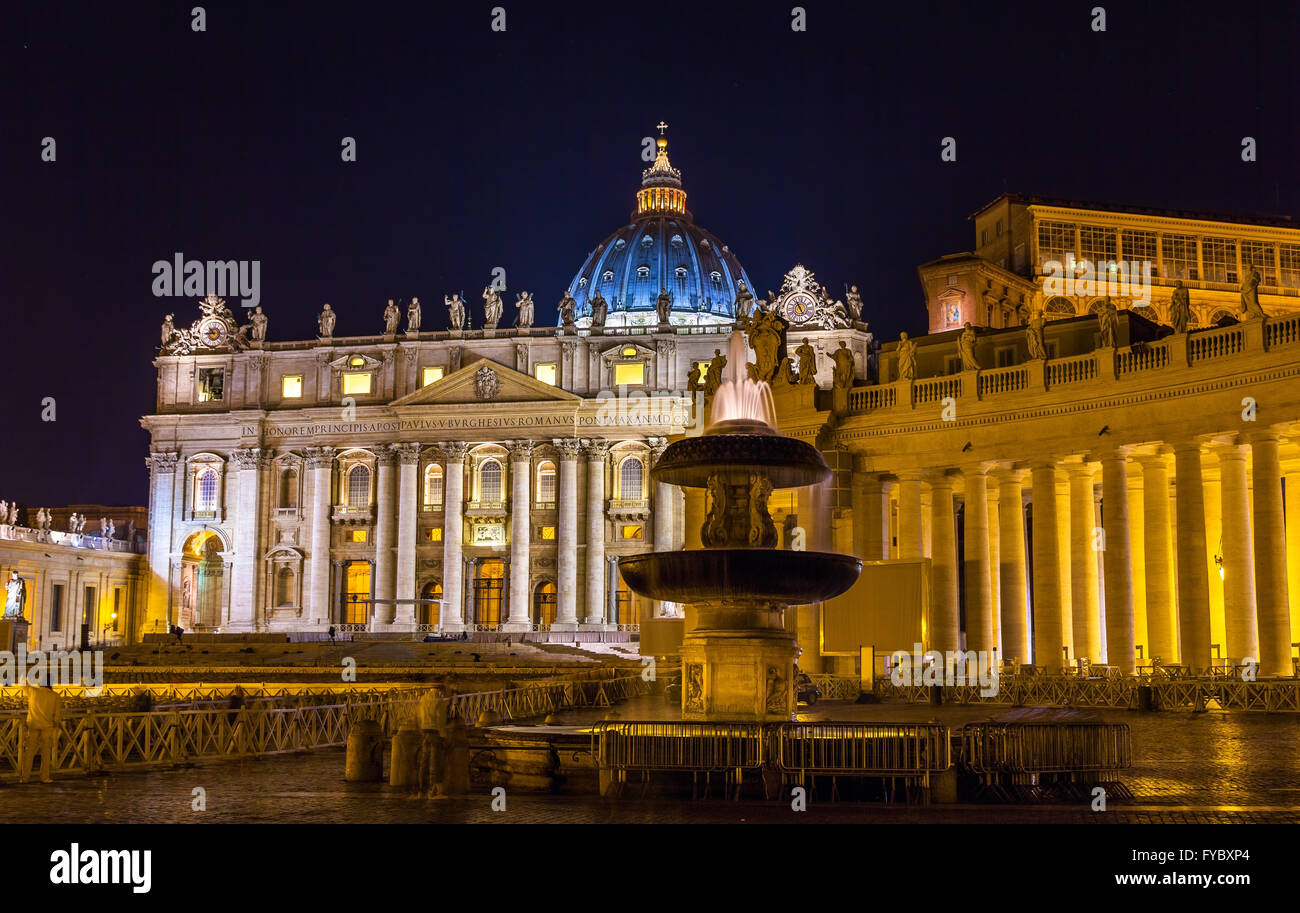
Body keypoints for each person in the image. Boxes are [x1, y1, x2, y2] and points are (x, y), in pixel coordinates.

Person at [20, 677, 63, 784]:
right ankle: (44, 777)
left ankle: (25, 777)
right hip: (47, 727)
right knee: (46, 753)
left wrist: (26, 674)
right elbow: (57, 715)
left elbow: (22, 684)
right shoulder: (55, 696)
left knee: (29, 752)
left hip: (33, 725)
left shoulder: (33, 692)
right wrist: (55, 724)